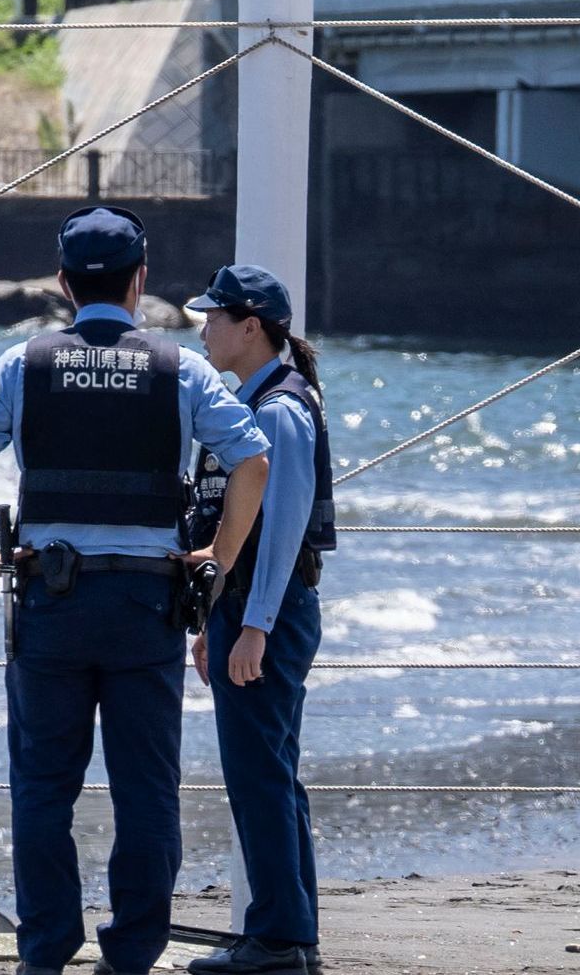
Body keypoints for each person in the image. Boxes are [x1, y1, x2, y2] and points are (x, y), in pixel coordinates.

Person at [0, 205, 273, 975]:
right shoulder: (180, 367)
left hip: (50, 602)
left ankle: (46, 949)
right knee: (147, 790)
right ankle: (129, 953)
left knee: (43, 788)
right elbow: (251, 458)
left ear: (62, 281)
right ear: (141, 279)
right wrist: (217, 558)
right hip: (145, 604)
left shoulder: (22, 363)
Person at [182, 264, 333, 975]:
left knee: (260, 777)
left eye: (214, 317)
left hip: (268, 609)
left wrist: (254, 626)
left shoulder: (278, 407)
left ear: (252, 327)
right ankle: (289, 933)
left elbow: (283, 530)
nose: (203, 328)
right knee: (270, 773)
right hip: (245, 608)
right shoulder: (247, 399)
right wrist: (214, 618)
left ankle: (275, 940)